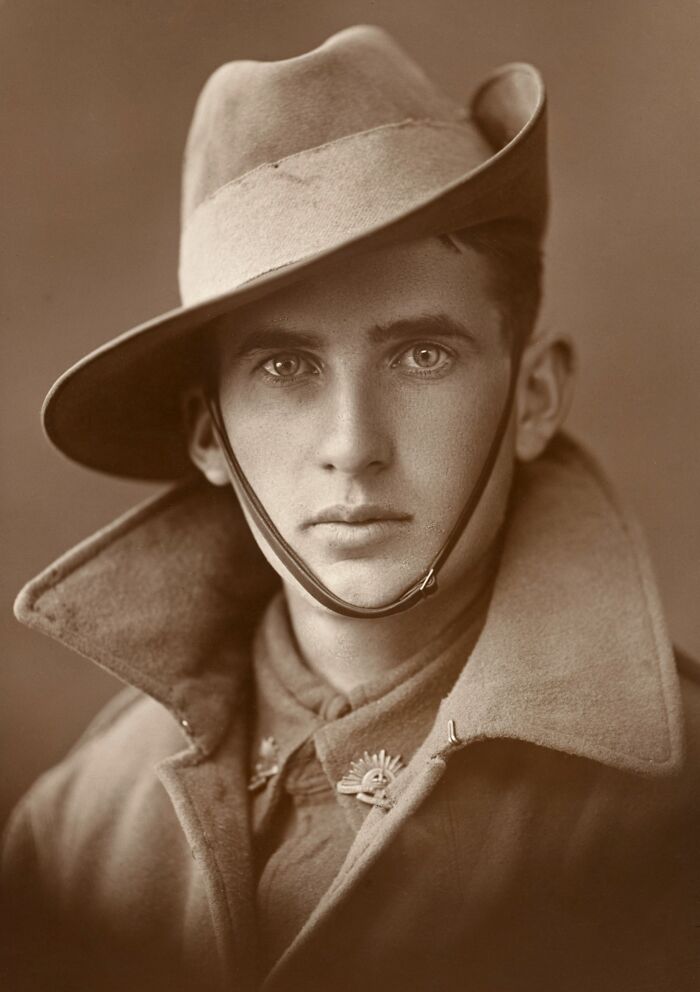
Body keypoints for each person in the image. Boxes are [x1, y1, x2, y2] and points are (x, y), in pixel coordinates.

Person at [2, 24, 698, 992]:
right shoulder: (74, 833)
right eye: (284, 367)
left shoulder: (674, 816)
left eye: (420, 355)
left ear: (533, 396)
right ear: (207, 434)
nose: (352, 445)